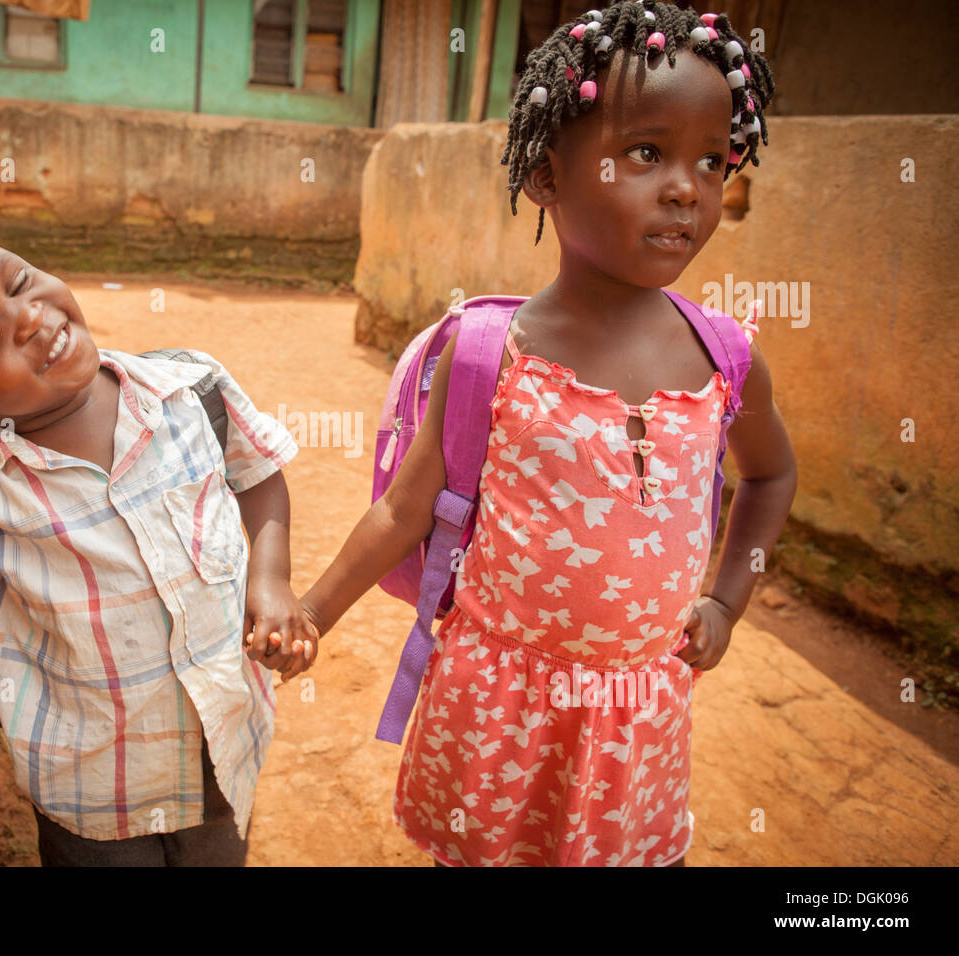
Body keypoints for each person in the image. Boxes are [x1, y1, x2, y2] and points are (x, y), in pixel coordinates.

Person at [297, 2, 797, 866]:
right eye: (647, 153)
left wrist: (725, 600)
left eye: (711, 162)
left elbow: (769, 478)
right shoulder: (492, 353)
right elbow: (404, 511)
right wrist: (311, 613)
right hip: (499, 706)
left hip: (637, 724)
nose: (687, 187)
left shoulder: (727, 358)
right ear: (546, 174)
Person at [0, 222, 317, 866]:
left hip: (224, 748)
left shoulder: (190, 391)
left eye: (18, 280)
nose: (29, 318)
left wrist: (270, 579)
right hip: (90, 793)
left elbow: (257, 478)